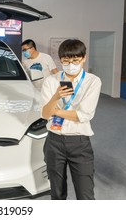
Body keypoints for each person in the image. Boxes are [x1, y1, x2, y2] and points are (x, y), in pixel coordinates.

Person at [41, 39, 101, 200]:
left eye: (75, 60)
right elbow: (46, 114)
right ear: (60, 60)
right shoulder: (51, 81)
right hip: (54, 142)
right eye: (66, 61)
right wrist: (56, 96)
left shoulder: (92, 81)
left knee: (85, 194)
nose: (71, 65)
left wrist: (57, 111)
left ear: (84, 58)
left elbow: (84, 115)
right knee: (57, 193)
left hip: (79, 143)